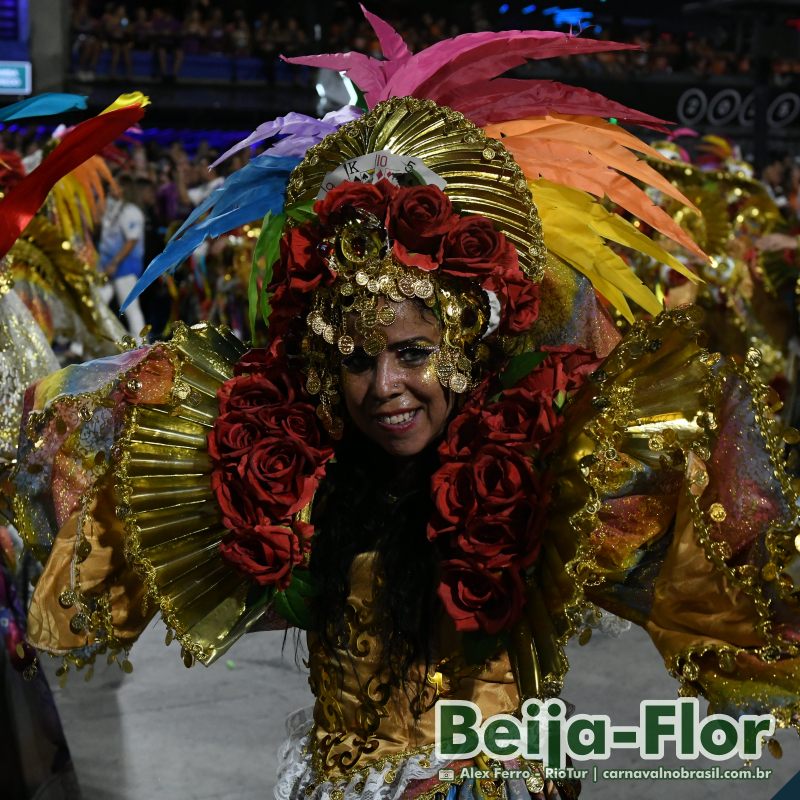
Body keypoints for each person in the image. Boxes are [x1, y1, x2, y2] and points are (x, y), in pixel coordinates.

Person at [13, 12, 800, 800]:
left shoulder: (541, 470)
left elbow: (719, 559)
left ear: (463, 347)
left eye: (414, 353)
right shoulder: (300, 474)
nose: (384, 386)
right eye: (357, 359)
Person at [98, 172, 147, 338]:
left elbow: (131, 241)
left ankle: (142, 347)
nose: (110, 187)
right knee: (97, 305)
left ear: (124, 189)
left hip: (124, 268)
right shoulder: (112, 208)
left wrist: (115, 262)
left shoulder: (132, 211)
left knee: (130, 308)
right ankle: (82, 347)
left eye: (115, 184)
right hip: (107, 266)